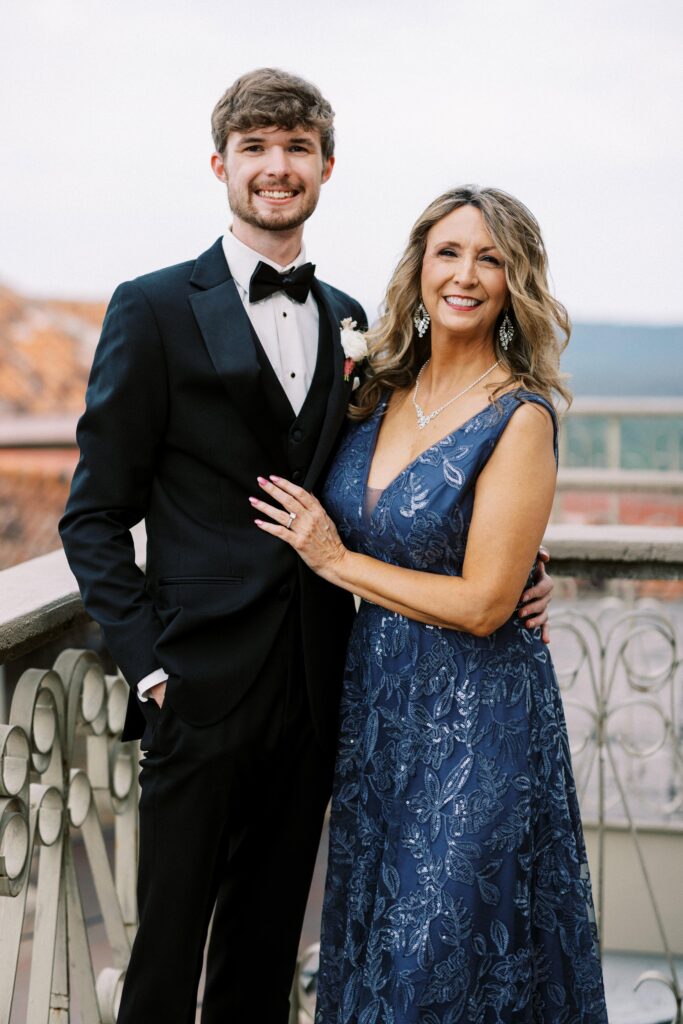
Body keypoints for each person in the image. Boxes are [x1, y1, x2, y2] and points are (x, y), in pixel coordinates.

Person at [59, 66, 554, 1023]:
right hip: (197, 690)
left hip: (326, 693)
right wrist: (150, 669)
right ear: (220, 165)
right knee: (164, 961)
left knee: (264, 955)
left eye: (296, 149)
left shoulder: (351, 327)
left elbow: (420, 476)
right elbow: (93, 514)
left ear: (327, 165)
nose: (276, 168)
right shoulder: (152, 307)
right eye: (255, 149)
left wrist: (529, 564)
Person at [252, 186, 608, 1022]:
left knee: (437, 963)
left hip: (481, 727)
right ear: (418, 268)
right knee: (377, 952)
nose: (466, 274)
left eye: (490, 258)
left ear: (513, 282)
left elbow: (487, 604)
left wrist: (336, 561)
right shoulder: (374, 391)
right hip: (379, 725)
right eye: (449, 252)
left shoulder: (517, 416)